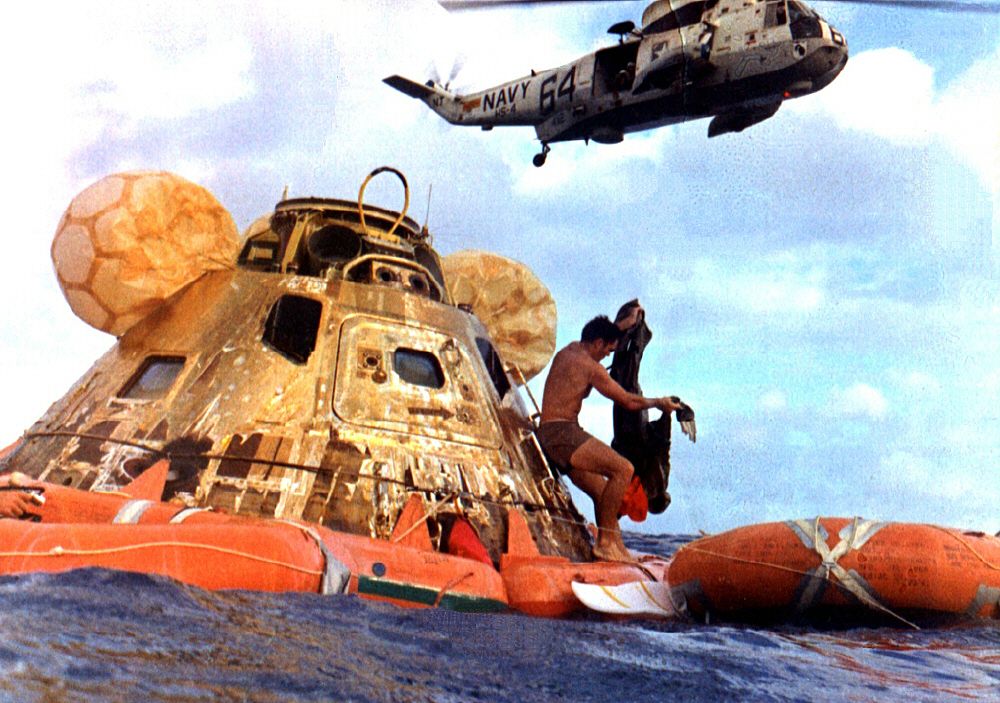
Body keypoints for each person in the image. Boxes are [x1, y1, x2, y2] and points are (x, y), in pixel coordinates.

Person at [536, 306, 682, 562]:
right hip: (562, 434)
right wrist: (659, 403)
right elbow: (628, 401)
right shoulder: (590, 368)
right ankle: (605, 543)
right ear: (598, 343)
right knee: (623, 469)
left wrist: (625, 325)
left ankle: (617, 548)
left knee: (603, 491)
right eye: (607, 350)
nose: (607, 356)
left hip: (548, 433)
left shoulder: (569, 351)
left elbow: (601, 333)